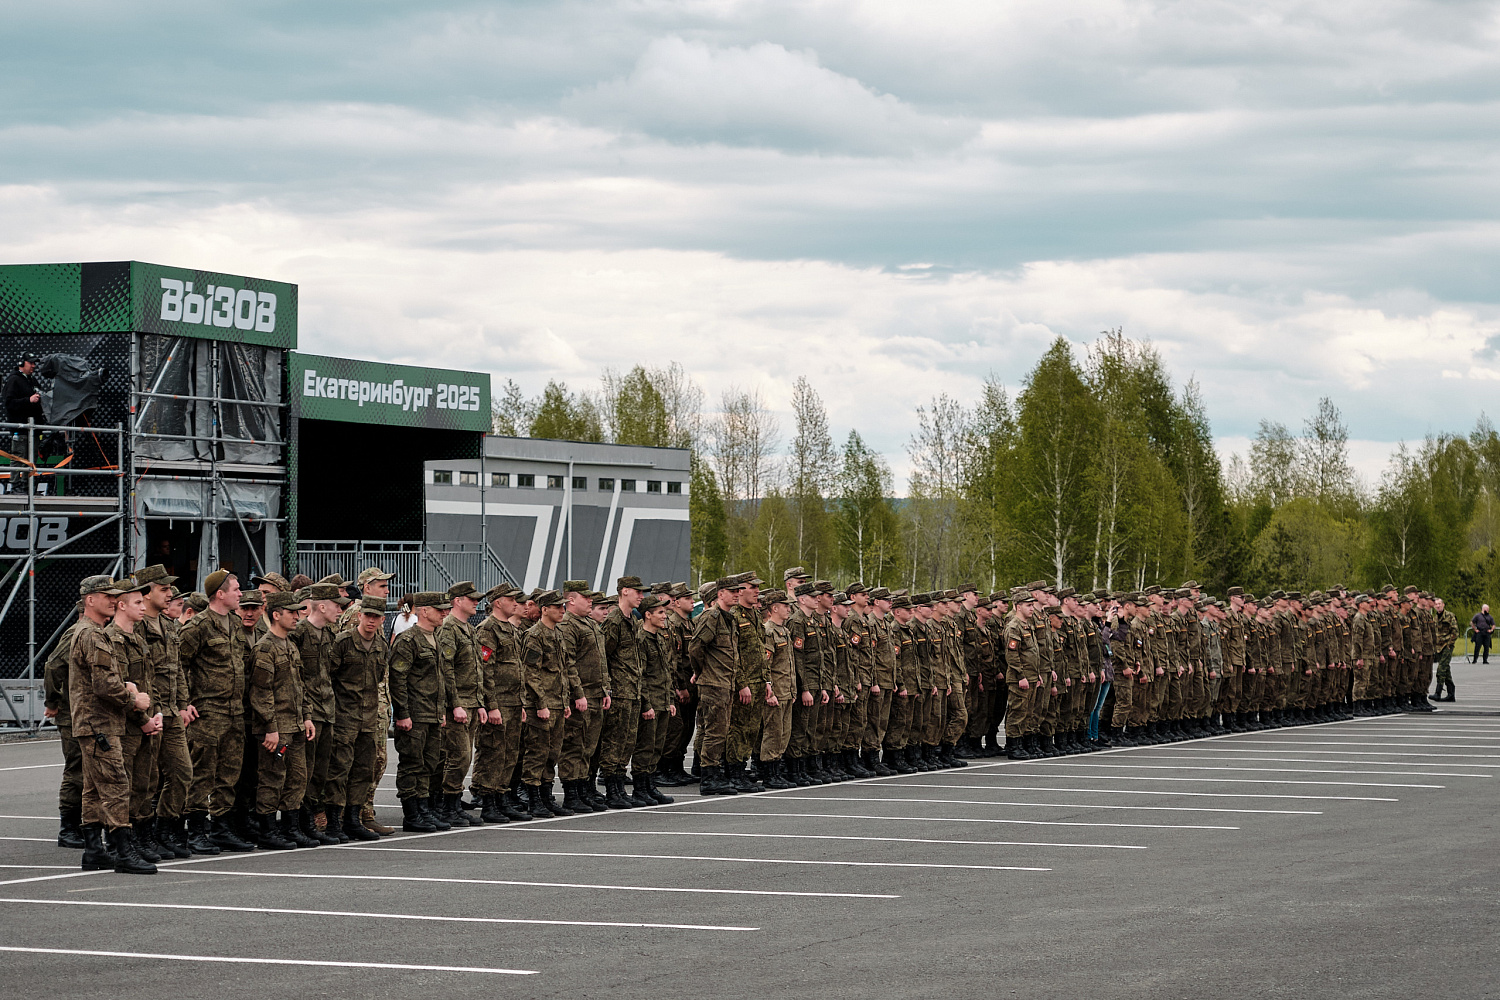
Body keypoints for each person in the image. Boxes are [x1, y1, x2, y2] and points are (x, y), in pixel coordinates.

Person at [71, 574, 157, 874]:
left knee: (95, 788)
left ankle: (94, 850)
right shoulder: (92, 634)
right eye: (106, 596)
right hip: (99, 724)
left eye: (113, 595)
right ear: (89, 600)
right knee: (116, 785)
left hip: (96, 723)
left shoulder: (92, 632)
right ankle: (122, 849)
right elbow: (105, 684)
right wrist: (134, 699)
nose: (112, 600)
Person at [178, 570, 254, 853]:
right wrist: (183, 702)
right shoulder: (197, 626)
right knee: (202, 773)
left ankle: (221, 828)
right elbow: (178, 664)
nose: (240, 594)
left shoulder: (235, 623)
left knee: (229, 773)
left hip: (234, 711)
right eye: (235, 589)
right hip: (207, 712)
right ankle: (196, 830)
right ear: (219, 594)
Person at [248, 592, 317, 850]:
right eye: (291, 612)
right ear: (276, 615)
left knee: (297, 777)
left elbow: (300, 685)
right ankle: (267, 830)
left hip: (295, 726)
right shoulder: (265, 648)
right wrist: (270, 728)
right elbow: (261, 692)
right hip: (277, 730)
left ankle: (290, 827)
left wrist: (307, 716)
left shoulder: (289, 645)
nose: (297, 617)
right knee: (272, 777)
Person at [323, 596, 390, 841]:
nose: (371, 621)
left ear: (382, 619)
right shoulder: (343, 642)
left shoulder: (381, 645)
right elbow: (329, 678)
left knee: (363, 770)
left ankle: (353, 819)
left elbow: (379, 678)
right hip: (345, 717)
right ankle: (333, 822)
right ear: (359, 616)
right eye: (367, 615)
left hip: (369, 719)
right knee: (339, 770)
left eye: (376, 617)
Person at [390, 591, 452, 832]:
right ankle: (412, 813)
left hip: (432, 713)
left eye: (446, 609)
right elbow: (398, 679)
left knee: (429, 764)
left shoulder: (435, 638)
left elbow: (440, 678)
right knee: (411, 763)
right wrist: (402, 713)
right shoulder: (409, 640)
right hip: (414, 714)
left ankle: (424, 809)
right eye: (440, 609)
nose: (444, 613)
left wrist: (441, 710)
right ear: (423, 611)